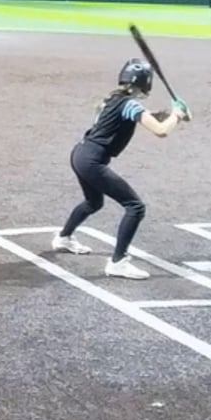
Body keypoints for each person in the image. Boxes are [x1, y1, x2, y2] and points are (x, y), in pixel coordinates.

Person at [49, 59, 188, 279]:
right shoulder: (130, 105)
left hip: (80, 154)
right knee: (135, 207)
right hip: (92, 161)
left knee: (93, 202)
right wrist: (176, 116)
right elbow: (160, 130)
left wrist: (174, 114)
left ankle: (64, 238)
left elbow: (144, 117)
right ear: (146, 82)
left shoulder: (113, 100)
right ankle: (118, 262)